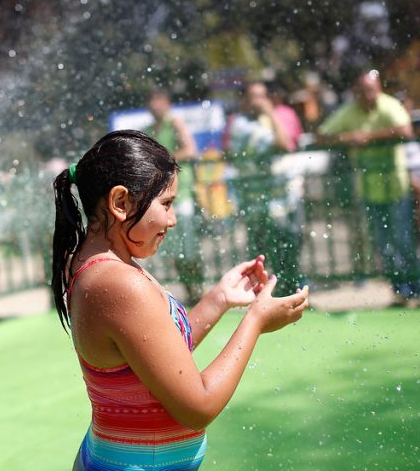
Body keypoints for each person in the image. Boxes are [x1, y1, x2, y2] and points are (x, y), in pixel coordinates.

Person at [52, 130, 310, 471]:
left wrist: (219, 299)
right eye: (166, 204)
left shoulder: (101, 263)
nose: (172, 219)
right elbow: (198, 408)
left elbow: (157, 353)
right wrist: (255, 322)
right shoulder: (118, 283)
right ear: (120, 203)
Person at [317, 70, 420, 307]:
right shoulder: (349, 111)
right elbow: (322, 135)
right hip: (369, 190)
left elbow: (406, 131)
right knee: (383, 246)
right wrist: (349, 138)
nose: (367, 95)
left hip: (396, 188)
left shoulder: (390, 106)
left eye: (371, 90)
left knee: (404, 242)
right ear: (355, 92)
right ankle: (400, 292)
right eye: (362, 91)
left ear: (379, 88)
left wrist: (369, 137)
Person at [223, 81, 303, 296]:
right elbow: (284, 143)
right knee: (261, 254)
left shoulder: (267, 120)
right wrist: (271, 114)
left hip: (282, 199)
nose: (258, 102)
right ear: (244, 100)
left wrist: (270, 115)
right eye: (253, 97)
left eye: (262, 96)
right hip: (256, 202)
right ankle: (264, 297)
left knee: (289, 247)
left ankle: (289, 292)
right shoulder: (240, 126)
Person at [145, 89, 203, 302]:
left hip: (182, 193)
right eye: (151, 101)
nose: (154, 106)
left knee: (189, 247)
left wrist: (163, 161)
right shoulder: (148, 130)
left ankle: (198, 289)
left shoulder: (175, 123)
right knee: (175, 249)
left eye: (158, 101)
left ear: (167, 103)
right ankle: (190, 291)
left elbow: (190, 150)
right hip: (161, 197)